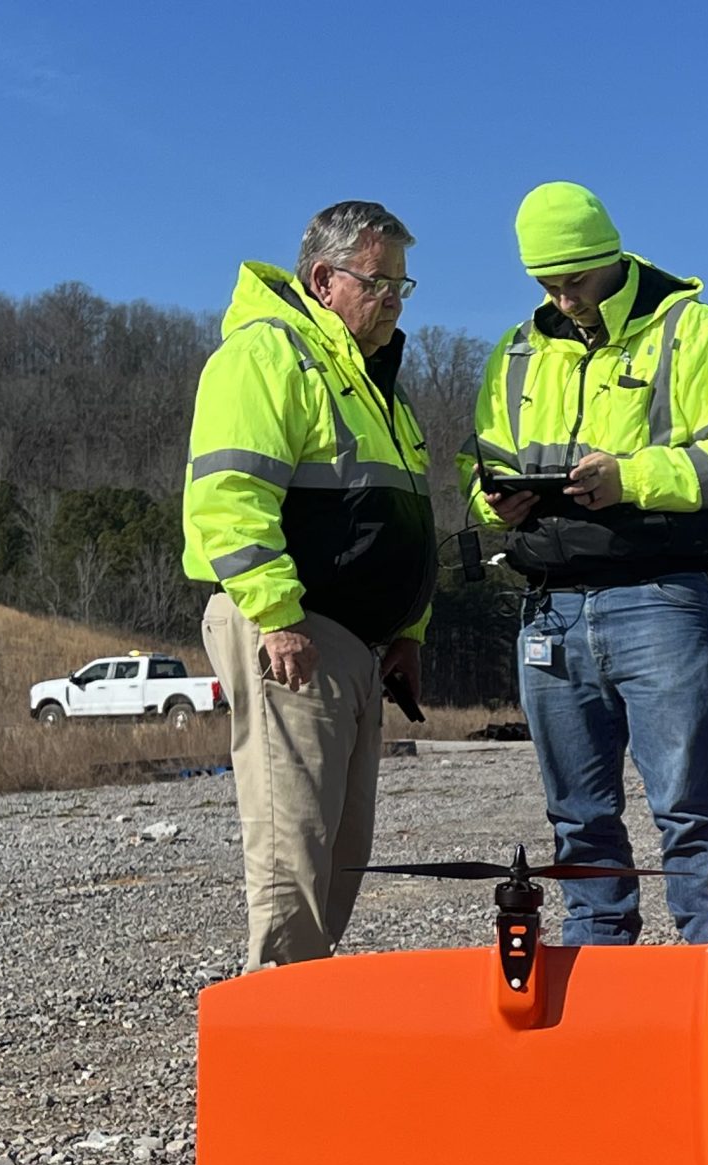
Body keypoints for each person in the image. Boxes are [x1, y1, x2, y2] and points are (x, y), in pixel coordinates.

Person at [461, 182, 708, 944]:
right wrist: (494, 503)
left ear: (611, 259)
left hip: (658, 597)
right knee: (576, 818)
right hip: (550, 606)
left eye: (575, 281)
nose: (563, 299)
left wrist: (629, 479)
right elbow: (483, 474)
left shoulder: (693, 332)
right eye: (547, 284)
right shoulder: (515, 353)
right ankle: (598, 983)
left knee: (689, 808)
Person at [181, 202, 435, 969]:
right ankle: (278, 1024)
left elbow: (403, 521)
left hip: (360, 645)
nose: (392, 297)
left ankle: (308, 1008)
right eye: (377, 280)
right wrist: (277, 616)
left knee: (342, 847)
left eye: (402, 282)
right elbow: (229, 497)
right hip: (297, 630)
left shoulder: (374, 381)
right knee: (293, 842)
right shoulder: (268, 355)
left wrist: (409, 633)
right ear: (324, 279)